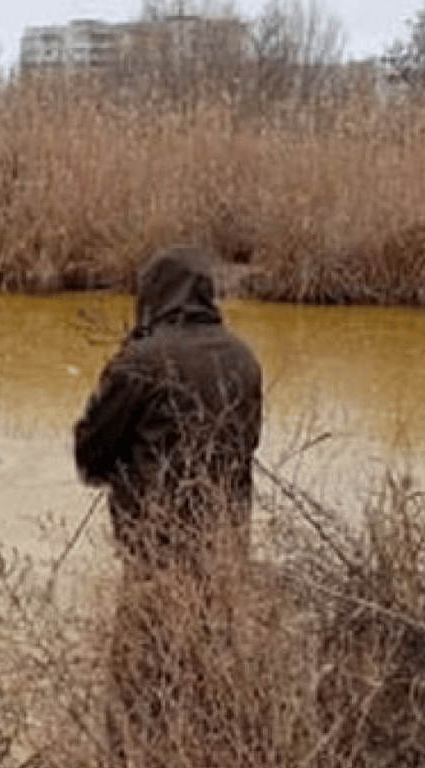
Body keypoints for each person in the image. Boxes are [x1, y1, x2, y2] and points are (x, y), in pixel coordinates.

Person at [73, 245, 262, 766]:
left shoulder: (141, 361)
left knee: (136, 695)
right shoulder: (243, 358)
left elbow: (90, 452)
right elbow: (249, 444)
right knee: (208, 685)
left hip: (156, 557)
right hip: (225, 552)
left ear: (153, 294)